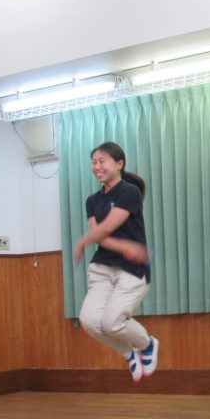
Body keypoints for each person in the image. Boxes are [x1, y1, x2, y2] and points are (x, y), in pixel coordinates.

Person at [73, 142, 159, 383]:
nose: (96, 166)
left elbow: (105, 229)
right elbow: (100, 235)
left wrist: (82, 242)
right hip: (101, 267)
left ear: (119, 163)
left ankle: (147, 344)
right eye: (94, 162)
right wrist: (124, 246)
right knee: (90, 321)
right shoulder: (92, 201)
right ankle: (128, 354)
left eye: (102, 161)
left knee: (112, 322)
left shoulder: (129, 192)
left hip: (131, 270)